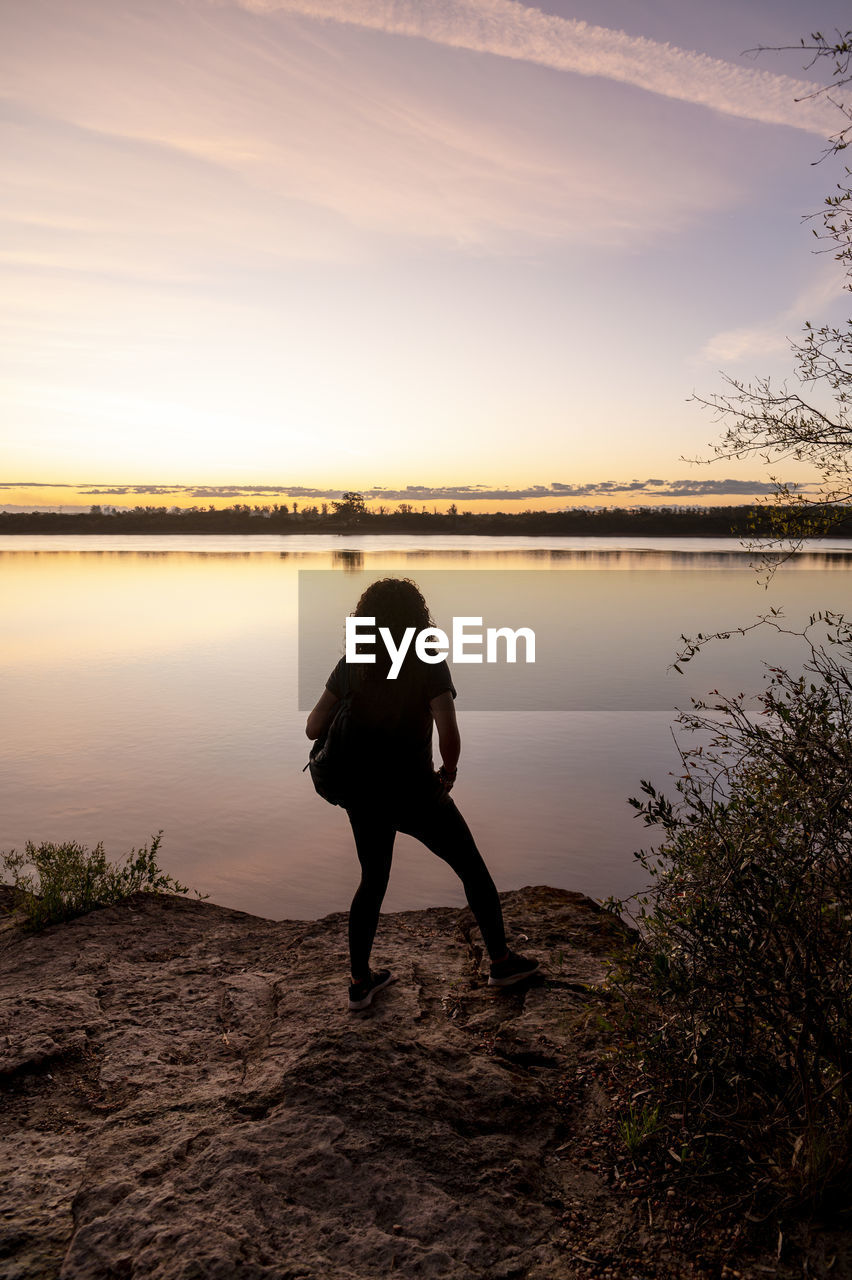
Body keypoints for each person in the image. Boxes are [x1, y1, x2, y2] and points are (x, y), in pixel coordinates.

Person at [305, 576, 539, 1010]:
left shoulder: (354, 659)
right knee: (472, 870)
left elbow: (313, 729)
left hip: (362, 794)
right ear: (418, 618)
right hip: (414, 793)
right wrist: (447, 775)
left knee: (372, 882)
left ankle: (359, 983)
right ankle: (501, 963)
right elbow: (449, 733)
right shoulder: (427, 659)